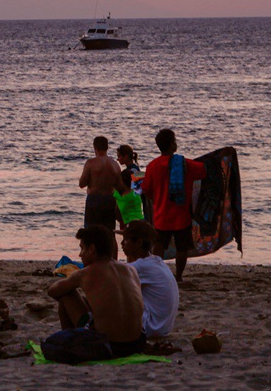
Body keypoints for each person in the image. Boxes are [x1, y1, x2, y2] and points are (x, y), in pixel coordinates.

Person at [47, 225, 146, 358]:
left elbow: (52, 291)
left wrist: (73, 284)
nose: (80, 254)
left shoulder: (85, 273)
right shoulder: (130, 270)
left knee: (66, 295)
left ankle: (71, 342)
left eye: (82, 248)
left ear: (92, 249)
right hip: (138, 342)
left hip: (109, 346)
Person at [140, 128, 207, 281]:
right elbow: (205, 170)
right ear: (172, 146)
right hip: (181, 214)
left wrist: (156, 199)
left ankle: (157, 273)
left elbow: (146, 189)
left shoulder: (152, 166)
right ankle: (178, 276)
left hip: (161, 214)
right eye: (175, 141)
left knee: (158, 244)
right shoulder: (184, 164)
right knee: (182, 247)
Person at [119, 220, 179, 338]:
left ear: (139, 242)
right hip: (162, 326)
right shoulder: (154, 260)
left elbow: (111, 276)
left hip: (151, 327)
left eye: (126, 239)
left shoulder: (141, 266)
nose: (122, 243)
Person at [79, 136, 126, 256]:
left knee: (90, 234)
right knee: (110, 234)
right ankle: (112, 262)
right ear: (107, 147)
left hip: (94, 200)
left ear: (95, 147)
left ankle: (91, 263)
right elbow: (120, 187)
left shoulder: (91, 163)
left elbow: (82, 184)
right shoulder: (114, 164)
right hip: (109, 200)